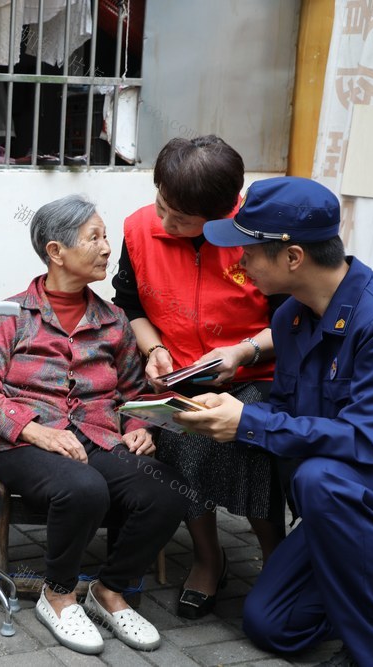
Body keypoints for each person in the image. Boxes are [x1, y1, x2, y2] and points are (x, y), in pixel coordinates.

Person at [176, 176, 373, 667]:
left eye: (248, 252)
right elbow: (290, 410)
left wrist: (251, 424)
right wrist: (227, 412)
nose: (239, 262)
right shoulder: (290, 319)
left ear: (293, 257)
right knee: (271, 623)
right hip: (341, 506)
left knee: (320, 477)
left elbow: (371, 439)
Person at [0, 195, 188, 655]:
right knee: (84, 488)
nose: (108, 247)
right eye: (95, 237)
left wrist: (143, 427)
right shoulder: (11, 316)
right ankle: (59, 592)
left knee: (167, 490)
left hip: (97, 437)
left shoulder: (113, 322)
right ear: (56, 251)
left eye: (106, 236)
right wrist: (34, 429)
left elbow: (135, 393)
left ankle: (109, 590)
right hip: (23, 445)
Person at [111, 135, 285, 619]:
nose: (163, 222)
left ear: (221, 215)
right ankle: (209, 557)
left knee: (249, 439)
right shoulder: (141, 229)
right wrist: (156, 349)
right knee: (183, 439)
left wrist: (242, 350)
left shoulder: (257, 235)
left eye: (180, 219)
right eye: (161, 204)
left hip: (257, 370)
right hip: (181, 373)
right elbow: (129, 303)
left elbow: (294, 319)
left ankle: (276, 556)